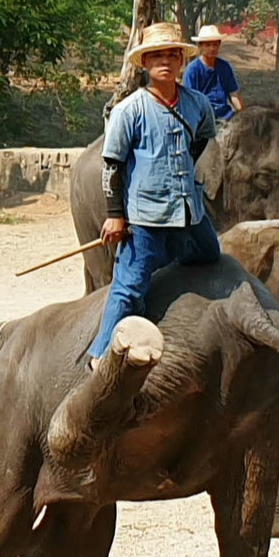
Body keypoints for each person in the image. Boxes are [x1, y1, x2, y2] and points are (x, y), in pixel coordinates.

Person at [89, 22, 220, 364]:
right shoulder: (129, 111)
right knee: (128, 289)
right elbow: (112, 167)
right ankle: (98, 357)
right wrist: (116, 216)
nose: (164, 61)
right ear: (145, 63)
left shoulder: (198, 104)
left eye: (171, 55)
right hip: (145, 217)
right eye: (156, 55)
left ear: (181, 61)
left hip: (189, 212)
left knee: (211, 254)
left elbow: (203, 138)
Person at [181, 23, 244, 122]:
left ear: (219, 45)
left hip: (225, 116)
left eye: (215, 45)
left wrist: (243, 114)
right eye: (208, 45)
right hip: (203, 118)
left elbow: (233, 95)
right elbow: (190, 102)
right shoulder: (192, 70)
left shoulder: (225, 67)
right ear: (200, 46)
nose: (212, 48)